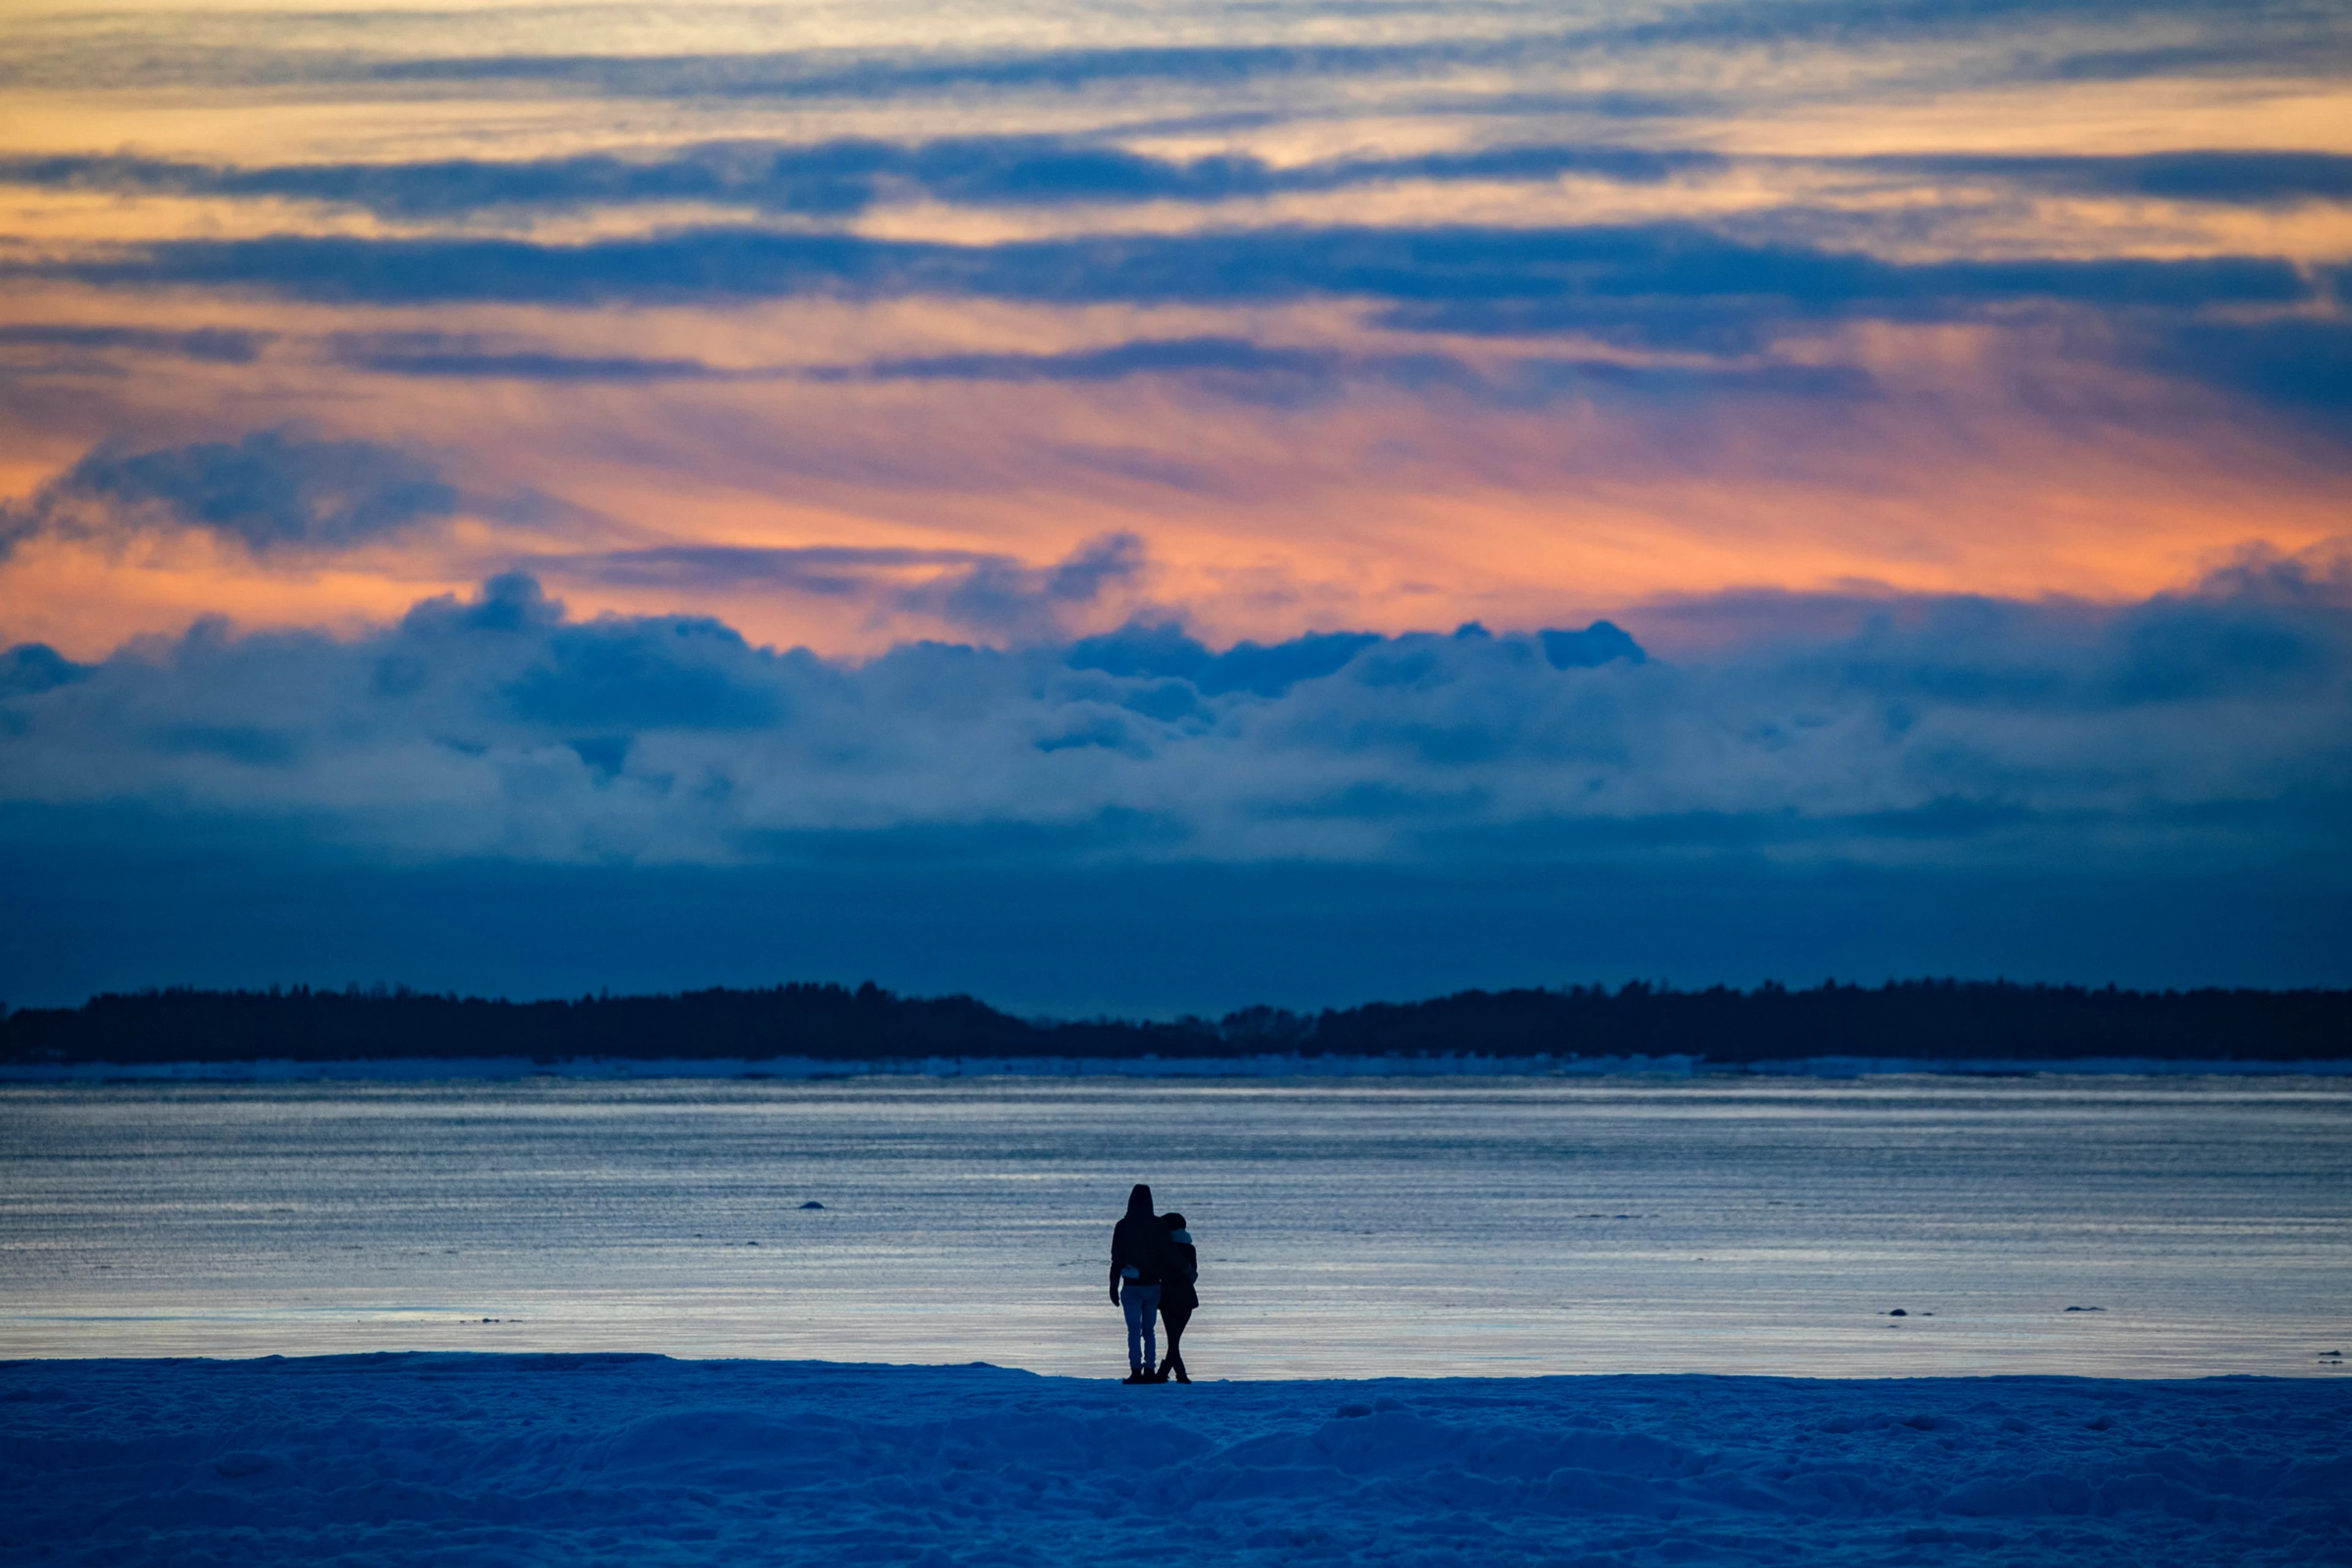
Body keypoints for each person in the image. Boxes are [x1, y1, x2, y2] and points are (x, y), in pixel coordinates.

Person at [1108, 1183, 1169, 1384]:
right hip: (1153, 1285)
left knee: (1134, 1331)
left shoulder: (1123, 1226)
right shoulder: (1159, 1225)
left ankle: (1136, 1370)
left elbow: (1117, 1258)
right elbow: (1165, 1256)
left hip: (1131, 1286)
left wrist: (1113, 1285)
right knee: (1149, 1330)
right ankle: (1150, 1370)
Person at [1155, 1212, 1199, 1383]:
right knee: (1174, 1339)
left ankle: (1167, 1373)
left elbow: (1160, 1271)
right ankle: (1179, 1375)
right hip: (1187, 1297)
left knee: (1173, 1339)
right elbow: (1192, 1272)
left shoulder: (1163, 1248)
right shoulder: (1190, 1248)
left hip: (1167, 1296)